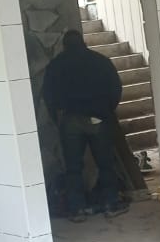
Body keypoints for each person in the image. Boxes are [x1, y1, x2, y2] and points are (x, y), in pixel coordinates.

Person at [42, 29, 127, 221]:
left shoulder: (56, 65)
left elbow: (48, 95)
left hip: (70, 119)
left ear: (64, 46)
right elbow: (115, 88)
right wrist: (106, 111)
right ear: (84, 43)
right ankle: (111, 204)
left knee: (73, 167)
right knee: (105, 164)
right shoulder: (100, 61)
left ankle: (77, 209)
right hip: (98, 117)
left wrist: (58, 119)